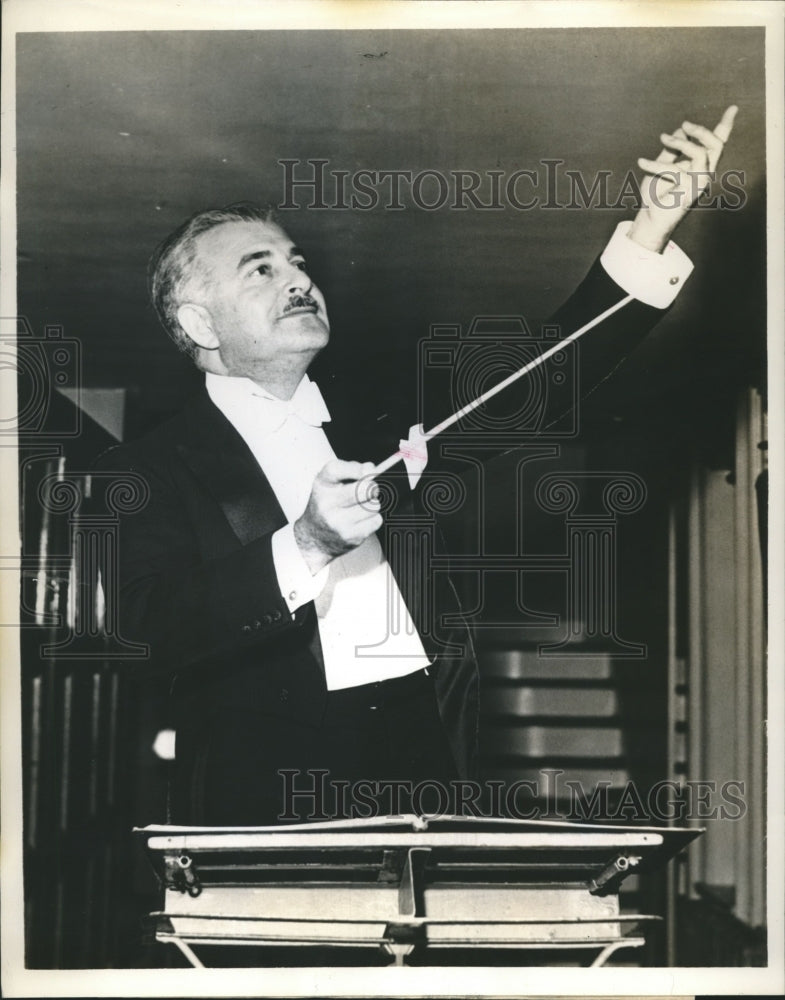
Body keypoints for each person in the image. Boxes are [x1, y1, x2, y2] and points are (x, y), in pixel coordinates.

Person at [101, 108, 737, 826]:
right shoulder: (146, 467)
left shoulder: (380, 421)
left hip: (425, 752)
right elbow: (147, 632)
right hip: (264, 789)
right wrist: (306, 544)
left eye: (297, 260)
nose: (298, 278)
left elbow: (540, 380)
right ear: (199, 325)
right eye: (262, 269)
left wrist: (649, 228)